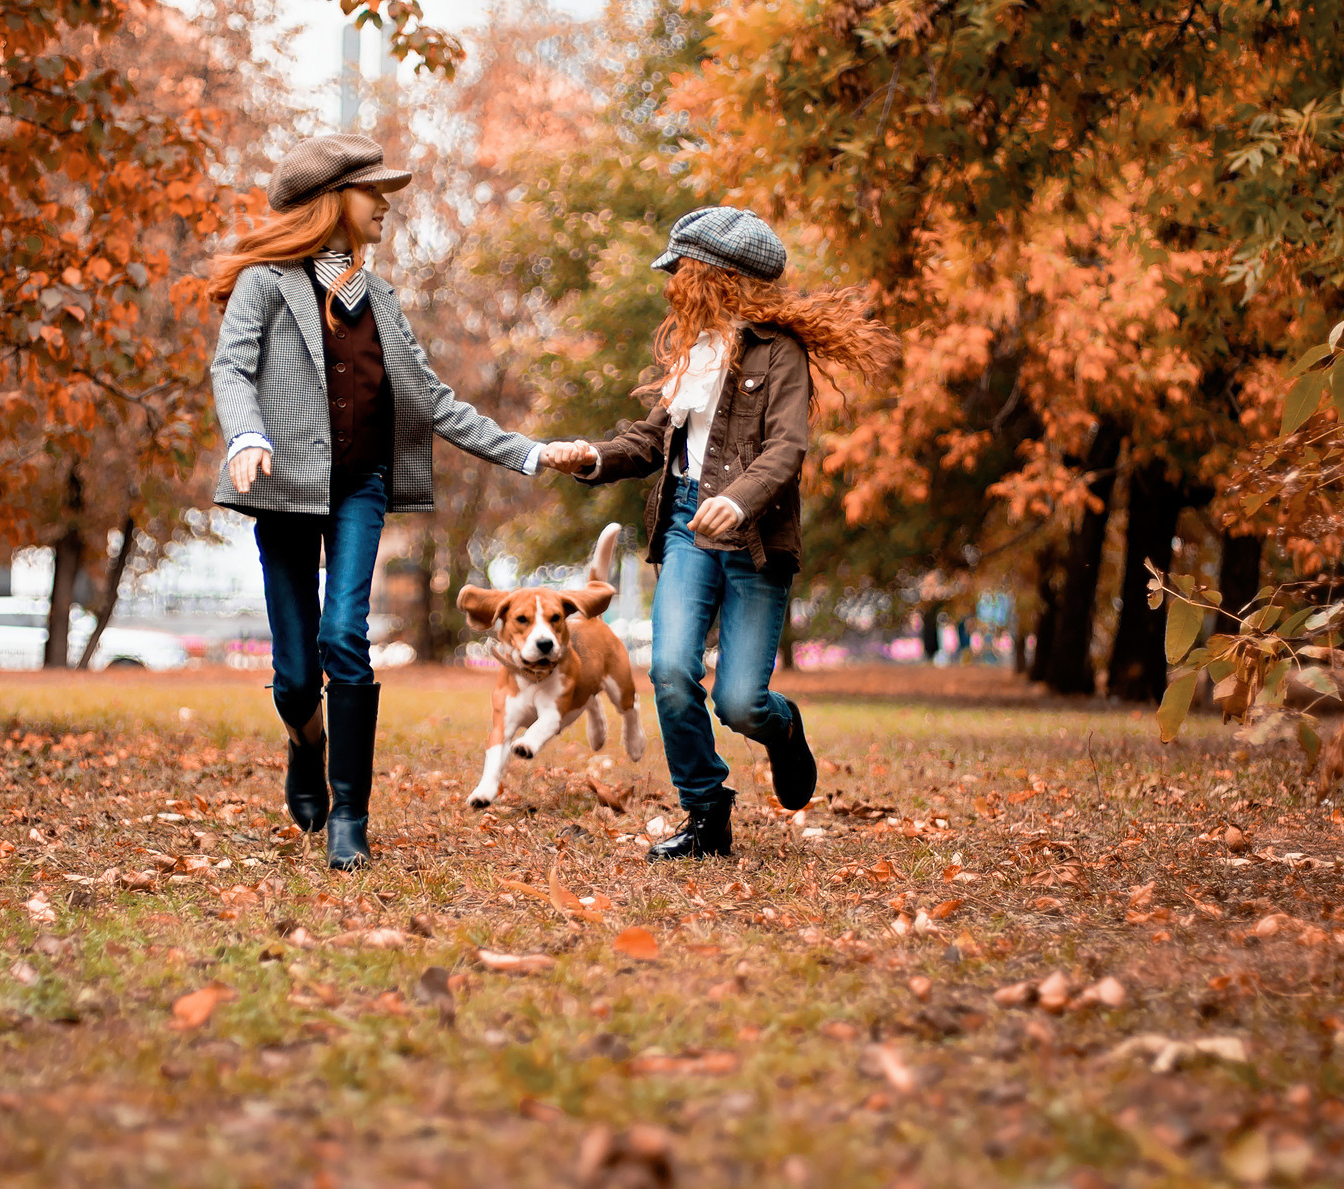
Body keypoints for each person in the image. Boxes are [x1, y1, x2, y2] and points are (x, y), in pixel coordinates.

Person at [206, 134, 547, 871]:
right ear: (334, 201)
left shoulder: (381, 300)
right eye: (374, 191)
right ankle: (307, 740)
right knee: (297, 675)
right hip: (281, 486)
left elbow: (433, 401)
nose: (387, 204)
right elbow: (231, 367)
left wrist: (525, 451)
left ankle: (349, 815)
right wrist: (245, 436)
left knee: (344, 638)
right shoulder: (266, 282)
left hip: (360, 485)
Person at [541, 207, 897, 861]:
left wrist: (738, 500)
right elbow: (652, 439)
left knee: (740, 702)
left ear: (715, 276)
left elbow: (787, 447)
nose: (672, 283)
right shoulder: (694, 350)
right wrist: (591, 456)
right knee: (671, 671)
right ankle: (707, 814)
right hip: (684, 526)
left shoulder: (779, 353)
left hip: (755, 539)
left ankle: (783, 729)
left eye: (680, 270)